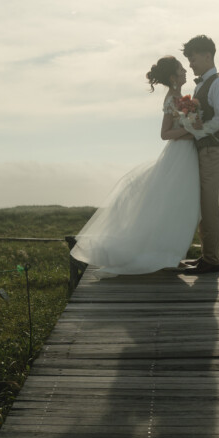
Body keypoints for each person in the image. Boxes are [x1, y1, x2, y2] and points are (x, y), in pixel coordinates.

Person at [69, 56, 201, 275]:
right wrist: (191, 130)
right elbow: (165, 133)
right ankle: (165, 255)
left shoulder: (180, 97)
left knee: (180, 207)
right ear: (173, 77)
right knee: (174, 206)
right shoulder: (172, 99)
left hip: (186, 155)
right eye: (181, 69)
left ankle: (172, 255)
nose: (186, 71)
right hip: (178, 156)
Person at [178, 35, 219, 274]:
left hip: (212, 149)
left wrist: (199, 132)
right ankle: (206, 256)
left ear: (208, 56)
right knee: (201, 205)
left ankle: (212, 260)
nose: (190, 64)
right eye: (188, 60)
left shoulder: (218, 83)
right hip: (202, 149)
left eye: (193, 58)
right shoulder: (200, 85)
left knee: (209, 205)